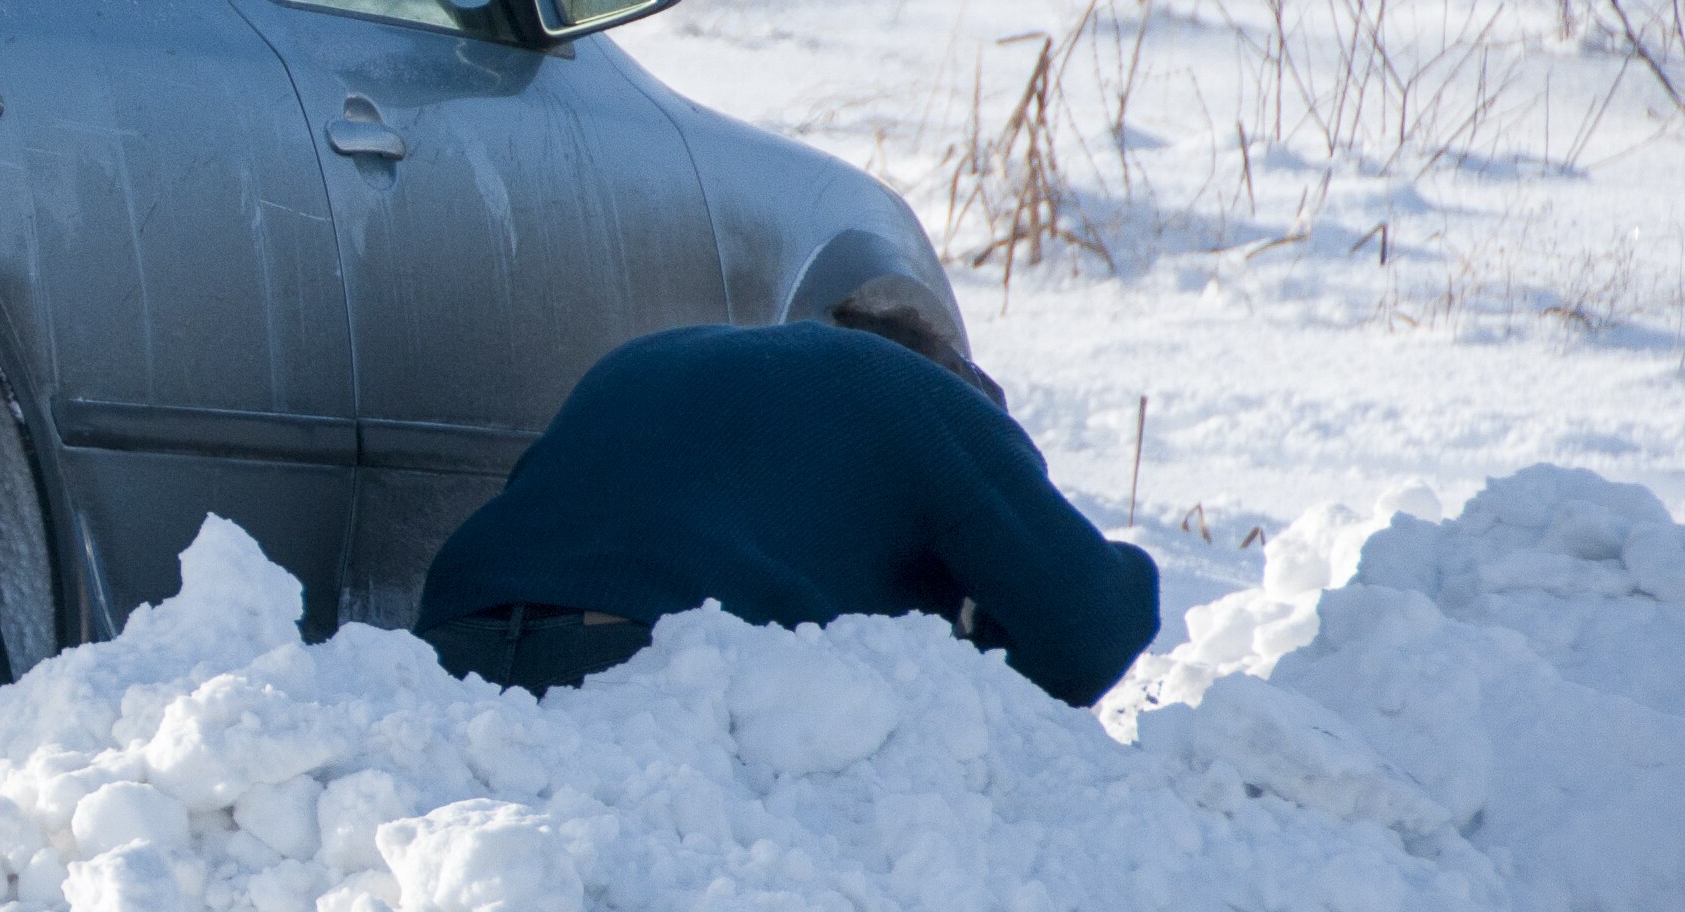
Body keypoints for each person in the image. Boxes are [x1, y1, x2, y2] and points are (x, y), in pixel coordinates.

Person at [416, 283, 1159, 705]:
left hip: (448, 660)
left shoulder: (667, 354)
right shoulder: (936, 402)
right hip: (646, 669)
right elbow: (1088, 626)